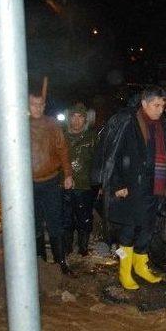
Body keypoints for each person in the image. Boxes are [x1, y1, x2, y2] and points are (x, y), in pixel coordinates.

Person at [92, 86, 166, 290]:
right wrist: (117, 184)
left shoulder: (161, 124)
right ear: (144, 103)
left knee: (147, 227)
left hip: (155, 187)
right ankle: (125, 272)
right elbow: (114, 155)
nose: (160, 109)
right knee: (129, 229)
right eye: (156, 105)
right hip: (131, 187)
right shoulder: (128, 122)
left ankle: (141, 267)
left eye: (163, 105)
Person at [29, 89, 74, 275]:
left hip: (50, 182)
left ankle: (61, 261)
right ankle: (40, 261)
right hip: (29, 185)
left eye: (40, 104)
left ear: (44, 106)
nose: (37, 108)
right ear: (27, 105)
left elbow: (63, 150)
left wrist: (68, 174)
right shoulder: (20, 126)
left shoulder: (52, 124)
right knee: (35, 223)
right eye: (33, 104)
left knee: (55, 222)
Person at [62, 102, 97, 257]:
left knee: (85, 218)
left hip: (85, 186)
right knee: (66, 218)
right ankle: (67, 247)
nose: (76, 120)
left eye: (80, 117)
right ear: (69, 118)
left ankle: (83, 248)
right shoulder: (61, 135)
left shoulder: (92, 137)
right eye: (73, 117)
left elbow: (98, 161)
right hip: (64, 185)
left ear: (85, 119)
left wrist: (99, 183)